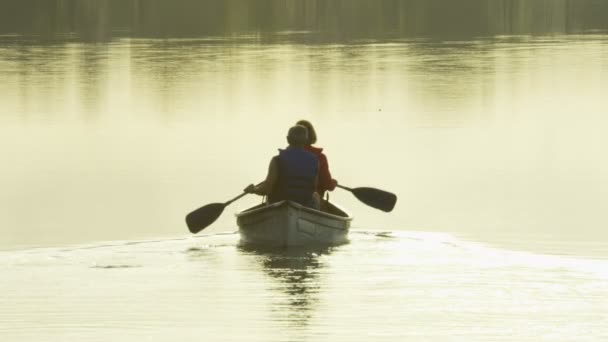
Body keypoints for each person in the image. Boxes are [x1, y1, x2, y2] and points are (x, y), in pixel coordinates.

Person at [244, 125, 320, 209]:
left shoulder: (277, 160)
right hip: (304, 203)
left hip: (279, 203)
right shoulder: (314, 160)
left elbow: (266, 189)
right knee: (316, 195)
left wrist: (254, 190)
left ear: (287, 139)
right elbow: (313, 186)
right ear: (306, 140)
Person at [295, 120, 337, 199]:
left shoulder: (283, 156)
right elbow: (328, 185)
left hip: (288, 197)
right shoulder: (320, 157)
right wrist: (333, 183)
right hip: (311, 201)